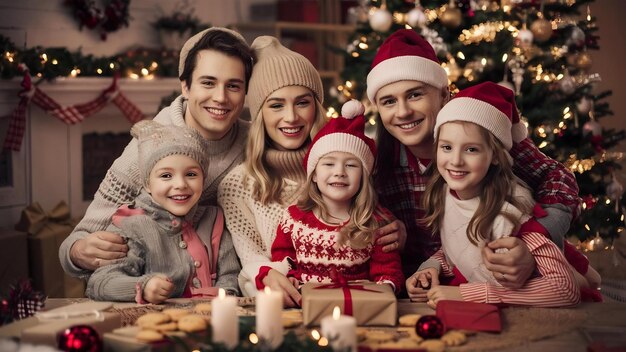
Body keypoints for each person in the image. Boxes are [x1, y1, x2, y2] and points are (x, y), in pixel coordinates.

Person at [366, 29, 582, 289]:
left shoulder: (481, 135)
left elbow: (557, 178)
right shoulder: (378, 165)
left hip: (500, 284)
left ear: (444, 95)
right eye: (389, 101)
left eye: (415, 95)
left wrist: (534, 242)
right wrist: (391, 240)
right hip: (436, 290)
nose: (403, 112)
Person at [217, 36, 406, 307]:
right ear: (260, 114)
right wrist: (268, 274)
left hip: (359, 307)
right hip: (286, 307)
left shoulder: (353, 162)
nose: (291, 117)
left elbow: (379, 231)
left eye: (302, 102)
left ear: (316, 107)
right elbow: (252, 260)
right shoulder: (238, 185)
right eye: (276, 104)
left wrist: (399, 235)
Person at [60, 27, 254, 279]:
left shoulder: (256, 142)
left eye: (233, 86)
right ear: (185, 87)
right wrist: (77, 251)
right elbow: (77, 240)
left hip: (225, 287)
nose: (220, 97)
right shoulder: (149, 145)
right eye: (208, 82)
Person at [406, 82, 582, 307]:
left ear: (495, 156)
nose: (456, 160)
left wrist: (470, 295)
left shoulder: (511, 214)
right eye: (447, 147)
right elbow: (464, 248)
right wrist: (431, 267)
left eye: (471, 149)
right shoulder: (447, 194)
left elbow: (565, 290)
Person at [87, 121, 239, 303]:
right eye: (166, 176)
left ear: (203, 178)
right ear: (147, 184)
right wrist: (144, 287)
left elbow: (230, 275)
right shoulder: (132, 225)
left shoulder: (214, 220)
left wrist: (225, 295)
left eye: (191, 174)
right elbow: (100, 283)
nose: (181, 184)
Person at [270, 100, 404, 295]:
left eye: (351, 165)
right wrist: (289, 277)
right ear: (314, 175)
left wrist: (383, 291)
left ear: (364, 176)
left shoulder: (377, 223)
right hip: (306, 307)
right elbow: (283, 259)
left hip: (357, 308)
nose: (339, 172)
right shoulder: (294, 219)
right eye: (329, 164)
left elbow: (389, 273)